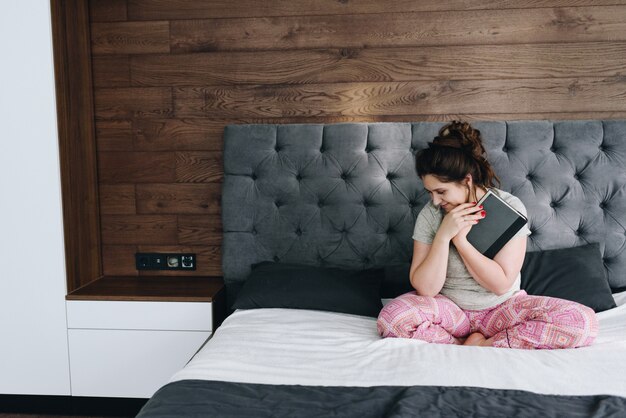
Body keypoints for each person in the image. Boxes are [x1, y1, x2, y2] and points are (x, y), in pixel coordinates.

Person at [377, 121, 598, 349]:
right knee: (392, 318)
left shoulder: (509, 207)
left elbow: (501, 284)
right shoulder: (431, 214)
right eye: (430, 192)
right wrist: (443, 236)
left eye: (441, 191)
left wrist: (461, 241)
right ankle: (461, 343)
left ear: (467, 180)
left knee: (584, 322)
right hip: (450, 312)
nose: (435, 201)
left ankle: (486, 344)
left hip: (502, 309)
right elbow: (426, 290)